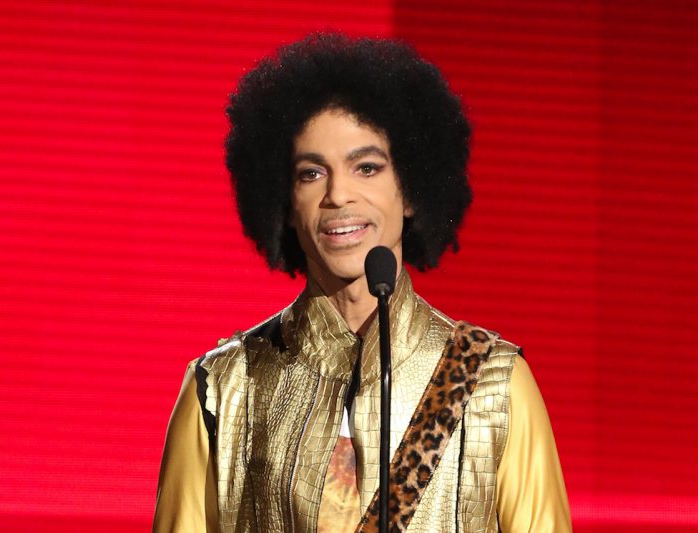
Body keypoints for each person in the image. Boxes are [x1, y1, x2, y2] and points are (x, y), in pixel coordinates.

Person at [152, 33, 572, 533]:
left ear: (412, 191)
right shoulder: (221, 390)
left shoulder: (492, 383)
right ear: (285, 204)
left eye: (366, 167)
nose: (339, 194)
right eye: (311, 173)